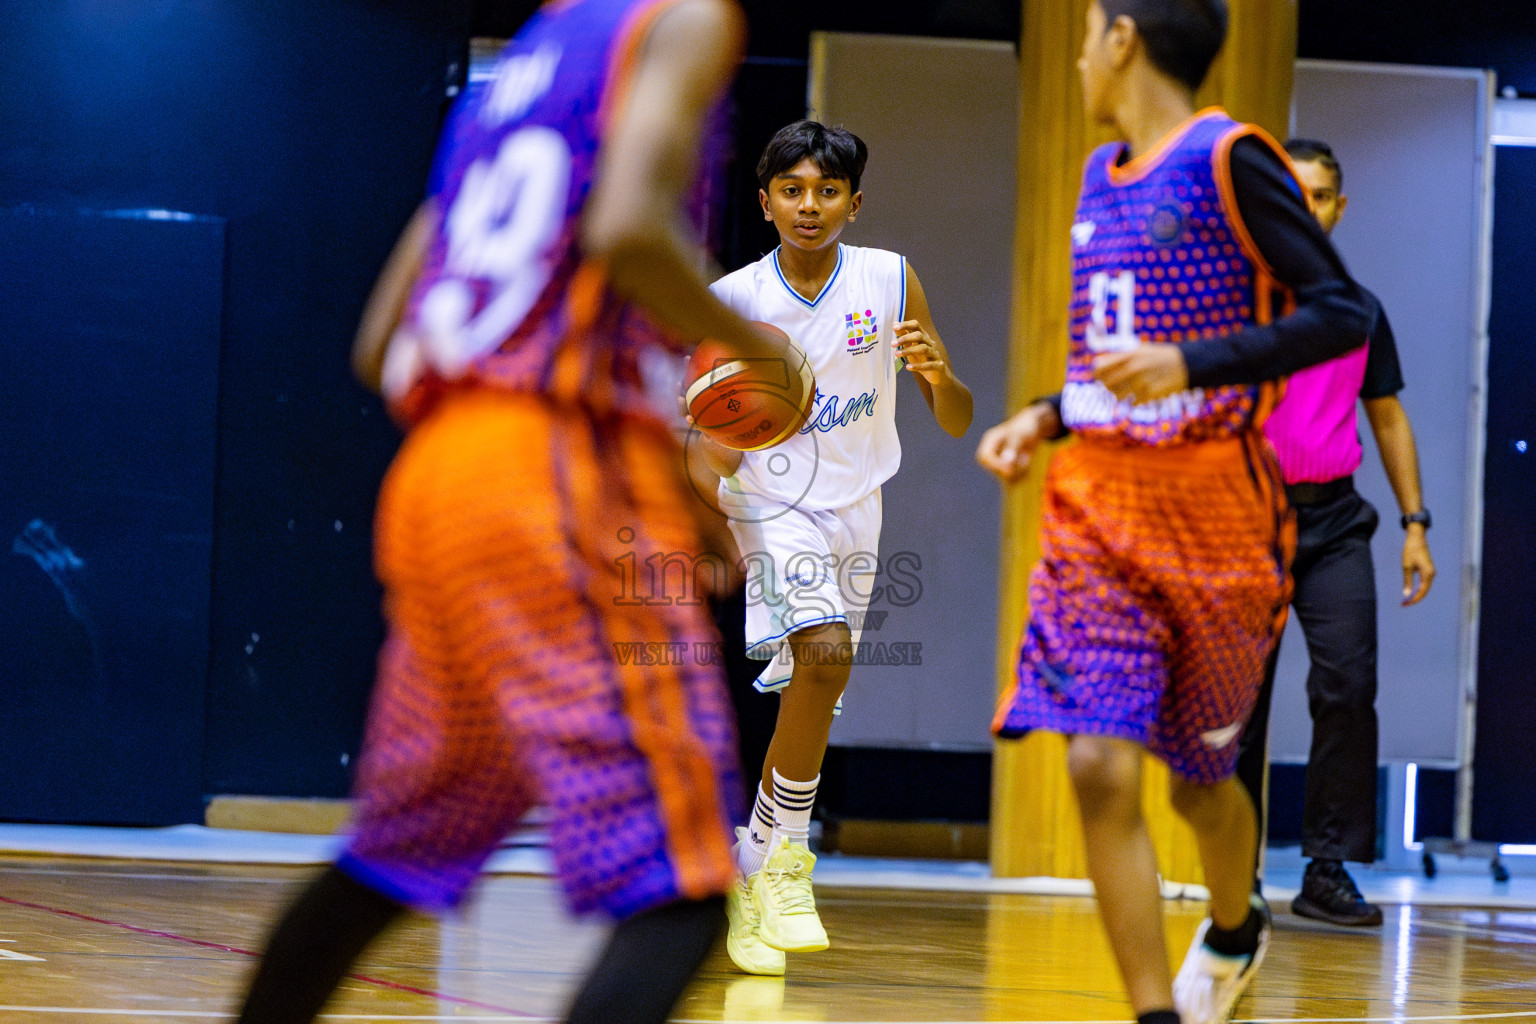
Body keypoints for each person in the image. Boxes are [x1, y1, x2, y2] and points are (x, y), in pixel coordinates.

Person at [230, 2, 809, 1022]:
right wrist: (761, 347)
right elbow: (626, 228)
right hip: (555, 478)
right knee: (685, 886)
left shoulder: (521, 66)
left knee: (396, 849)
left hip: (443, 480)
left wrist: (668, 466)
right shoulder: (681, 20)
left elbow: (379, 344)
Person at [975, 2, 1373, 1024]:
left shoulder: (1229, 157)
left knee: (1201, 782)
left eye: (1085, 37)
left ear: (1121, 40)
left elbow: (1342, 312)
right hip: (1096, 514)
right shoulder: (1093, 181)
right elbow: (1108, 359)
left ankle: (1237, 925)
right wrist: (1046, 413)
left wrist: (1192, 363)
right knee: (1099, 761)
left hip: (1219, 520)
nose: (1075, 61)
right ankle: (1156, 1013)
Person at [692, 119, 973, 976]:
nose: (808, 206)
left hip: (858, 507)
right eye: (791, 190)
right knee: (826, 651)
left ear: (854, 203)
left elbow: (957, 420)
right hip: (770, 502)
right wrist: (716, 507)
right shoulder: (735, 299)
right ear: (766, 201)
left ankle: (754, 862)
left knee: (818, 690)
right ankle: (789, 858)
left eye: (826, 191)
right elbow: (703, 442)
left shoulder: (890, 279)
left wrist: (936, 376)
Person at [1235, 138, 1435, 928]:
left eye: (1320, 196)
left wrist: (1416, 525)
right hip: (1245, 521)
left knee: (1348, 687)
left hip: (1334, 522)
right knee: (1238, 705)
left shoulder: (1359, 309)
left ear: (1336, 209)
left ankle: (1328, 869)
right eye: (1293, 193)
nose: (1306, 207)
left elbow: (1387, 416)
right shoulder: (1234, 301)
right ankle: (1233, 871)